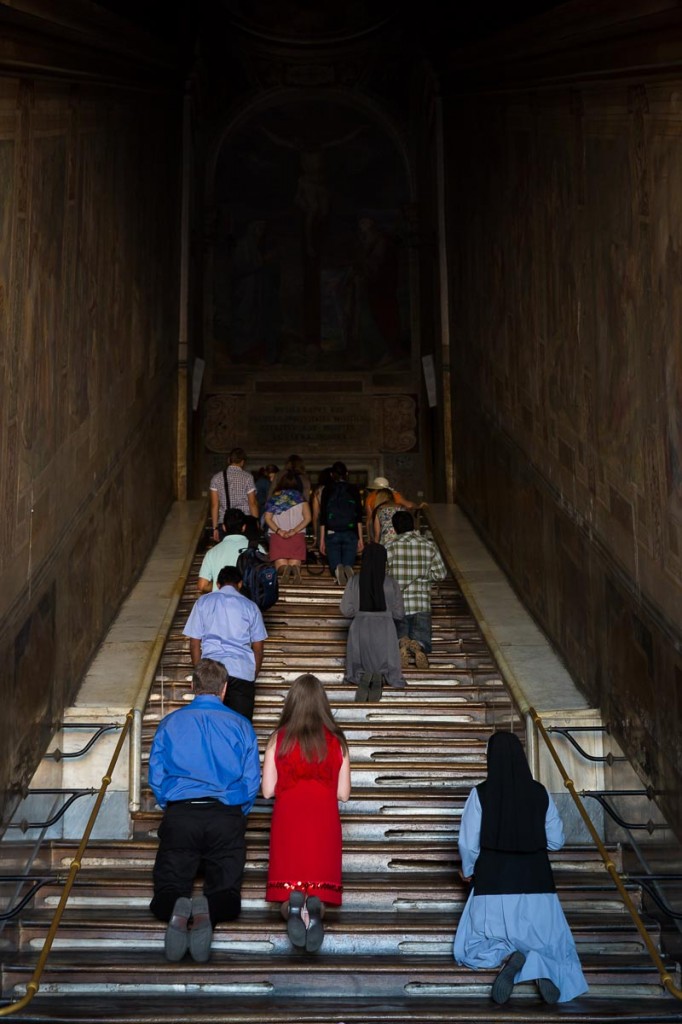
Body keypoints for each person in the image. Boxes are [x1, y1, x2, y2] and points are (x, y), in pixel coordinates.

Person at [454, 731, 589, 1005]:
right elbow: (556, 841)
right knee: (551, 945)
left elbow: (468, 845)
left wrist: (468, 871)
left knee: (468, 948)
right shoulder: (540, 792)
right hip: (539, 887)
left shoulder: (480, 793)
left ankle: (509, 958)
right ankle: (539, 965)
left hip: (493, 886)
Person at [148, 658, 260, 963]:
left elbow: (155, 774)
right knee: (227, 894)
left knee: (167, 888)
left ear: (192, 687)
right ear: (224, 689)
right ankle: (208, 908)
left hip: (181, 814)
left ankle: (175, 907)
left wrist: (169, 803)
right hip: (225, 815)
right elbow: (252, 781)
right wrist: (239, 812)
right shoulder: (241, 725)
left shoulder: (170, 723)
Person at [262, 673, 351, 952]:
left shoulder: (278, 738)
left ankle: (293, 908)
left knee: (287, 890)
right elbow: (343, 794)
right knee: (321, 891)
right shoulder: (337, 740)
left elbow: (266, 791)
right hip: (323, 821)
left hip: (289, 820)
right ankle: (314, 913)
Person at [183, 566, 267, 722]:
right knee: (240, 726)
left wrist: (200, 673)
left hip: (211, 672)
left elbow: (194, 644)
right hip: (242, 671)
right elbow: (258, 649)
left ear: (218, 584)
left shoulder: (203, 602)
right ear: (240, 584)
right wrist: (251, 675)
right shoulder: (251, 607)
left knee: (211, 725)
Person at [340, 544, 406, 699]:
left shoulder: (354, 581)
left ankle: (361, 676)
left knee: (358, 658)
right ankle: (382, 676)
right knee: (386, 659)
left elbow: (345, 610)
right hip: (385, 628)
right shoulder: (391, 583)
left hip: (360, 627)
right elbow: (399, 614)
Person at [386, 510, 446, 670]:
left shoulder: (389, 547)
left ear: (394, 528)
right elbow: (441, 574)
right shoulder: (428, 545)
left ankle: (402, 644)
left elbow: (383, 576)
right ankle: (418, 647)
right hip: (421, 603)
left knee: (398, 633)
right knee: (422, 637)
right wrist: (425, 579)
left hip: (397, 604)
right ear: (413, 525)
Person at [319, 460, 364, 586]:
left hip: (332, 532)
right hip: (350, 532)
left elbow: (323, 517)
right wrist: (360, 538)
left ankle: (337, 570)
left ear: (332, 475)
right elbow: (359, 516)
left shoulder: (327, 490)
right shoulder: (353, 489)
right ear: (347, 474)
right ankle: (347, 569)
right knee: (348, 563)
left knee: (335, 565)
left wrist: (321, 540)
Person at [264, 471, 311, 585]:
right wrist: (294, 531)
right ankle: (294, 569)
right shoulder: (301, 499)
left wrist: (279, 531)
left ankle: (284, 570)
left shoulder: (274, 499)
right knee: (295, 563)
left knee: (280, 565)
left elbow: (267, 518)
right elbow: (308, 518)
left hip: (278, 537)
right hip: (297, 536)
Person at [209, 447, 259, 542]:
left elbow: (214, 505)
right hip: (244, 521)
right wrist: (255, 521)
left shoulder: (216, 478)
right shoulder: (248, 477)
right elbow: (252, 503)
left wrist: (215, 527)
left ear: (229, 460)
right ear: (242, 462)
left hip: (225, 522)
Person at [197, 508, 249, 593]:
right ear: (244, 527)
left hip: (220, 602)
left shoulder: (212, 552)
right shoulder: (257, 548)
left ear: (224, 527)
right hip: (249, 602)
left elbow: (202, 585)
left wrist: (217, 586)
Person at [364, 475, 425, 541]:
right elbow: (409, 505)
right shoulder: (393, 494)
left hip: (382, 531)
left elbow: (369, 521)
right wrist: (418, 506)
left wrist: (369, 538)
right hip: (397, 530)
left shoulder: (369, 498)